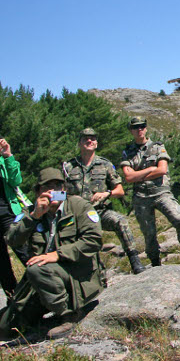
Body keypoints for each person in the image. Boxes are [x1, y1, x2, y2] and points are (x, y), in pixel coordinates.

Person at [0, 168, 104, 341]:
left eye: (57, 187)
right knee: (5, 327)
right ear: (37, 192)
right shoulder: (32, 212)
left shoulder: (78, 206)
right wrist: (34, 216)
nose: (52, 192)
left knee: (36, 269)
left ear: (63, 190)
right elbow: (12, 240)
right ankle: (41, 315)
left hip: (77, 275)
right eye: (46, 188)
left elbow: (93, 240)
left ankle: (69, 315)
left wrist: (58, 255)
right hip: (46, 282)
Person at [62, 128, 145, 274]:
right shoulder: (68, 167)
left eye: (92, 138)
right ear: (79, 143)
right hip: (77, 216)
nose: (89, 141)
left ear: (96, 143)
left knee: (121, 221)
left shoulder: (105, 165)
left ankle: (134, 260)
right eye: (85, 138)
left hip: (100, 212)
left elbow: (120, 191)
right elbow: (59, 193)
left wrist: (106, 193)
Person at [120, 117, 180, 266]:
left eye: (142, 126)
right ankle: (155, 262)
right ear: (131, 130)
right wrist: (150, 169)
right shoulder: (127, 152)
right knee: (149, 233)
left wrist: (138, 174)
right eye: (135, 127)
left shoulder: (158, 147)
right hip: (141, 196)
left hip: (161, 192)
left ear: (146, 128)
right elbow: (128, 177)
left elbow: (162, 170)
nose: (139, 129)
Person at [0, 138, 31, 297]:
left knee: (24, 250)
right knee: (2, 264)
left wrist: (8, 156)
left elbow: (16, 180)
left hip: (7, 213)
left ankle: (42, 284)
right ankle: (14, 298)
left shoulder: (4, 160)